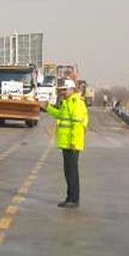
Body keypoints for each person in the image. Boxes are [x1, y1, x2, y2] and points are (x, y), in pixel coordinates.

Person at [45, 78, 89, 208]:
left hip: (72, 144)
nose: (62, 92)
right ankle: (69, 197)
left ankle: (74, 199)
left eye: (64, 90)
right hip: (66, 143)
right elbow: (60, 115)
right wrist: (48, 108)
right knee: (67, 172)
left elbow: (76, 125)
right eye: (62, 90)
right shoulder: (67, 102)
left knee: (72, 172)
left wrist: (74, 143)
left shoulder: (76, 103)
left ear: (71, 89)